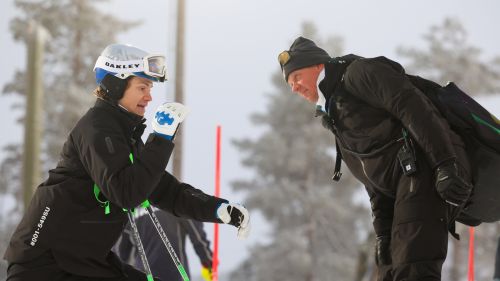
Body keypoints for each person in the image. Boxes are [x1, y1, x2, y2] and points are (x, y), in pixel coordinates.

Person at [4, 43, 250, 281]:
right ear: (116, 83)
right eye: (142, 88)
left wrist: (218, 209)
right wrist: (161, 139)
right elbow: (126, 192)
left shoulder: (123, 135)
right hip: (45, 263)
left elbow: (164, 190)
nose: (149, 97)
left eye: (150, 89)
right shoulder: (97, 129)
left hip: (85, 262)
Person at [278, 37, 474, 281]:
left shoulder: (359, 73)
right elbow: (372, 179)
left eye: (296, 77)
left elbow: (414, 108)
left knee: (413, 266)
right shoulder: (336, 116)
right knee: (388, 271)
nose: (294, 87)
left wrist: (445, 164)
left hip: (426, 166)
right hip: (404, 183)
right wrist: (382, 234)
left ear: (317, 65)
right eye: (290, 84)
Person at [115, 208, 214, 281]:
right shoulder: (175, 203)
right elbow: (197, 236)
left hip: (144, 274)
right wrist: (207, 262)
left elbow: (122, 253)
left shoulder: (132, 212)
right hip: (175, 275)